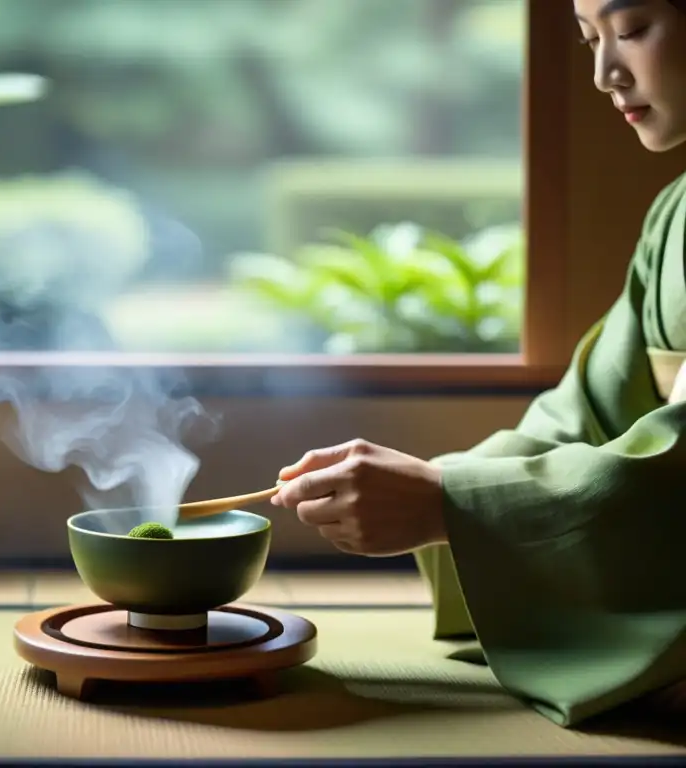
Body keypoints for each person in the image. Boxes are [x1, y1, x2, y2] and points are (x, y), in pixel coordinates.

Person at [269, 0, 686, 729]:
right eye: (589, 40)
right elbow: (585, 412)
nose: (604, 73)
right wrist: (448, 487)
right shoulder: (674, 212)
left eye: (629, 30)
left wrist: (447, 500)